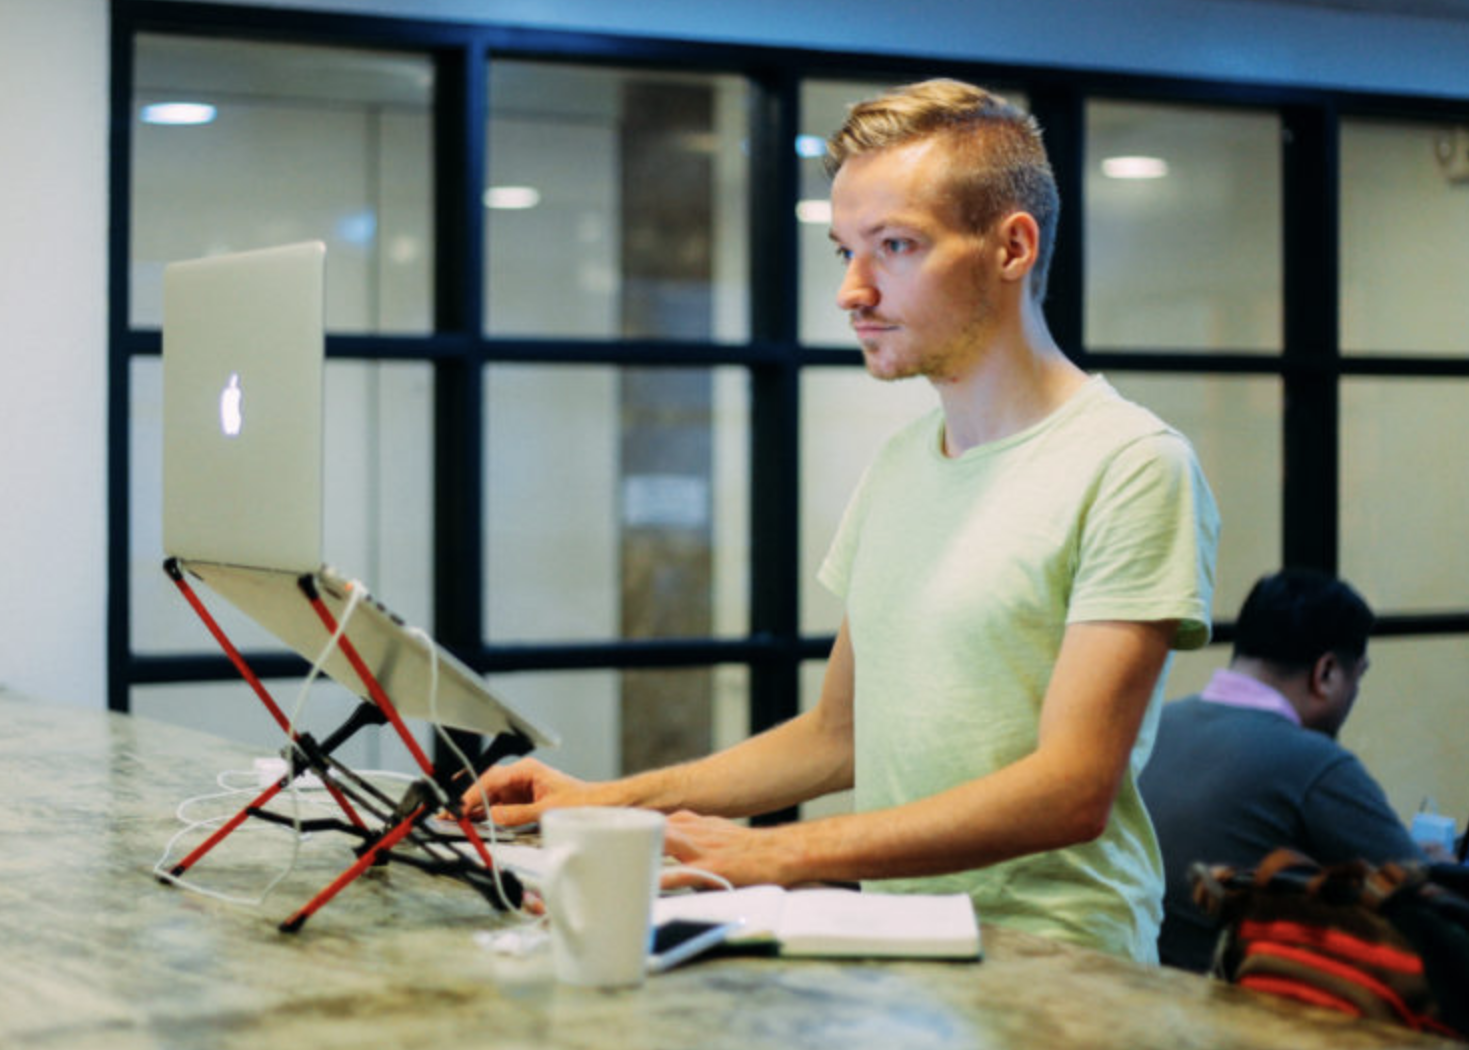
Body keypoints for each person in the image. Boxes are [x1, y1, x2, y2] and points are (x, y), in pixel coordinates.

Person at [461, 78, 1219, 962]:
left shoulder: (1132, 464)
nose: (852, 292)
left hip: (1063, 969)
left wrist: (771, 853)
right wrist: (608, 801)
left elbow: (1071, 790)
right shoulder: (903, 461)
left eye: (894, 246)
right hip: (907, 948)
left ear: (1012, 247)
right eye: (845, 252)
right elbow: (838, 735)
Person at [1138, 567, 1424, 972]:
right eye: (1357, 677)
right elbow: (1426, 902)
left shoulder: (1155, 725)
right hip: (1230, 998)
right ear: (1326, 673)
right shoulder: (1315, 762)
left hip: (1135, 980)